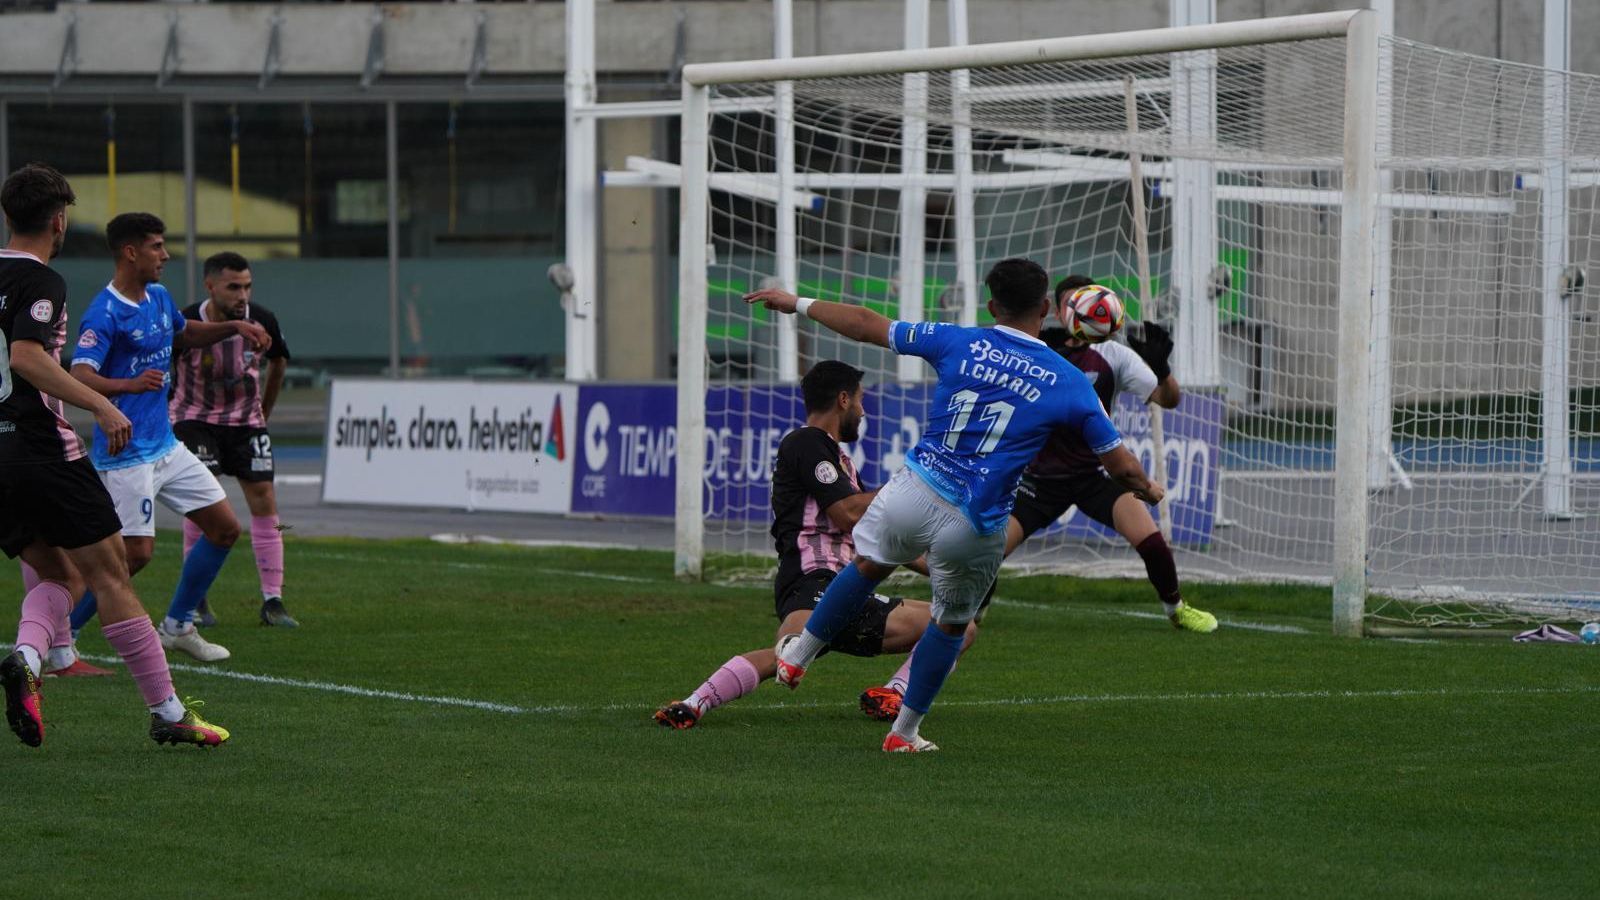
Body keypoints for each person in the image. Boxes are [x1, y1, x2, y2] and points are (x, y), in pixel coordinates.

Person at [747, 257, 1163, 753]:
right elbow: (1119, 465)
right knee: (950, 625)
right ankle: (902, 734)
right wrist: (1148, 489)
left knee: (867, 565)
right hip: (978, 520)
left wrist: (796, 303)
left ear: (991, 305)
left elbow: (866, 324)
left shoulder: (957, 339)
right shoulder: (1069, 380)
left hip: (916, 489)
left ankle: (799, 656)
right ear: (1048, 309)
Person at [853, 275, 1217, 722]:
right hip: (1035, 482)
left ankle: (1176, 609)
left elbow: (1170, 398)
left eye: (1081, 305)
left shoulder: (1114, 354)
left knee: (1151, 539)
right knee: (976, 575)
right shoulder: (1029, 347)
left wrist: (1161, 368)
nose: (1074, 313)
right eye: (1067, 304)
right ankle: (904, 680)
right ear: (1052, 309)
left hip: (1091, 476)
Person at [0, 162, 228, 747]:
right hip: (40, 447)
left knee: (59, 573)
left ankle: (27, 658)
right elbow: (27, 357)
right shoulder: (43, 282)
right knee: (112, 573)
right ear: (59, 219)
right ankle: (170, 713)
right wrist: (101, 406)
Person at [653, 361, 975, 729]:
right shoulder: (805, 443)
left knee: (957, 626)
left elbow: (880, 534)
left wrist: (945, 570)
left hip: (846, 586)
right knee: (788, 652)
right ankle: (694, 703)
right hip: (813, 580)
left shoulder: (840, 461)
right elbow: (849, 515)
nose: (862, 410)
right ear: (842, 400)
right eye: (860, 400)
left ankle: (894, 693)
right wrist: (910, 486)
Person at [66, 213, 270, 662]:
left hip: (166, 446)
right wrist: (127, 386)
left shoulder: (158, 296)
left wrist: (234, 328)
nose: (166, 254)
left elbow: (186, 333)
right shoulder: (104, 312)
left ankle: (177, 626)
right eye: (157, 246)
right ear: (130, 252)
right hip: (126, 456)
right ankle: (62, 637)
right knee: (133, 556)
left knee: (223, 528)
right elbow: (79, 373)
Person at [170, 251, 297, 628]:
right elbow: (160, 366)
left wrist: (264, 412)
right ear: (210, 286)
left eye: (247, 286)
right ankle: (195, 600)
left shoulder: (262, 319)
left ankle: (273, 601)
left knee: (266, 501)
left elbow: (279, 360)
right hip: (194, 420)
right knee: (202, 501)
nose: (242, 295)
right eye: (233, 287)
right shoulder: (186, 320)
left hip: (246, 423)